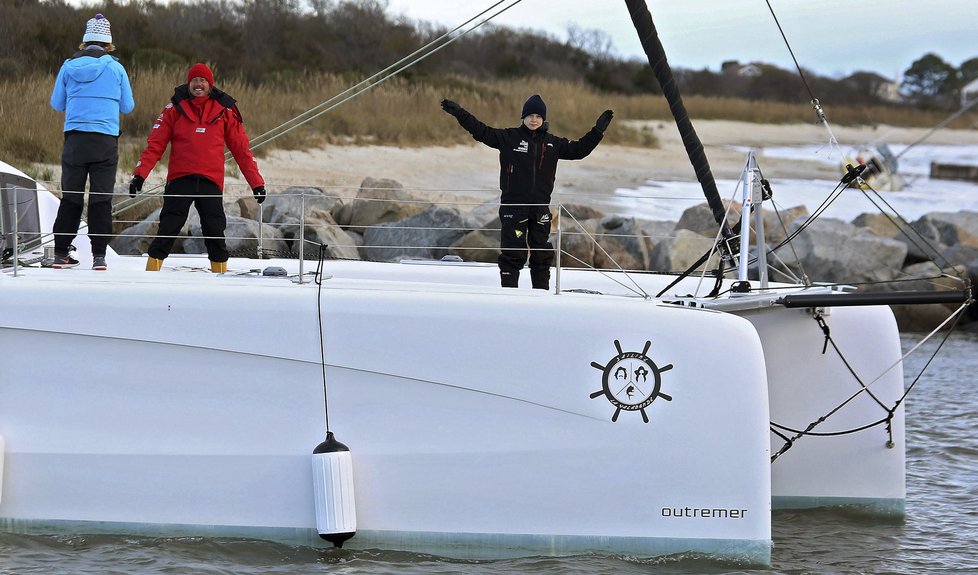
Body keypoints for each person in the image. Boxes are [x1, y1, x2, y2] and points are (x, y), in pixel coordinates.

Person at [441, 94, 612, 289]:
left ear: (543, 119)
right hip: (513, 207)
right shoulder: (508, 138)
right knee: (512, 254)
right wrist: (460, 114)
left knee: (541, 253)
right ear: (523, 117)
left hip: (540, 209)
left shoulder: (553, 143)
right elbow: (481, 131)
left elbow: (579, 150)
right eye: (530, 115)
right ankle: (509, 294)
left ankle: (540, 295)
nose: (534, 119)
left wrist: (597, 131)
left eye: (538, 116)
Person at [129, 63, 266, 273]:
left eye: (203, 80)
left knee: (215, 231)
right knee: (168, 227)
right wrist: (139, 176)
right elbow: (155, 145)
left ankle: (219, 274)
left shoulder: (225, 111)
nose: (198, 84)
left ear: (210, 85)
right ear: (188, 83)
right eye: (194, 80)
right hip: (180, 179)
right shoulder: (173, 109)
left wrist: (256, 183)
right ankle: (152, 273)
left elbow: (242, 151)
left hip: (210, 181)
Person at [49, 13, 135, 270]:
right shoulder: (117, 68)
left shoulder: (68, 66)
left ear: (85, 42)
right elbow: (128, 107)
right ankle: (99, 256)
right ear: (108, 43)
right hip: (105, 141)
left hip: (75, 139)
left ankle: (61, 253)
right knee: (101, 199)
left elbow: (57, 104)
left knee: (71, 197)